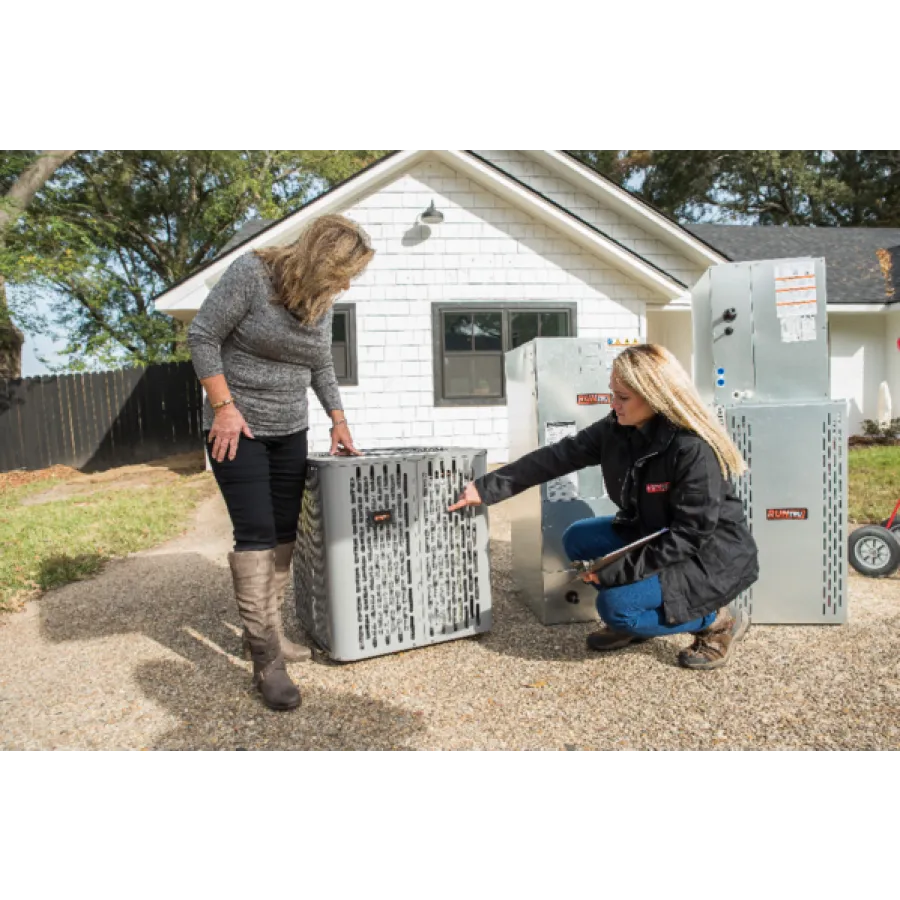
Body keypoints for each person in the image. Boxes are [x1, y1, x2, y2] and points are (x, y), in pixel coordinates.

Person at [448, 343, 758, 670]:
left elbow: (689, 535)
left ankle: (717, 619)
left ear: (655, 396)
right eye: (613, 393)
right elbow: (557, 457)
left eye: (623, 398)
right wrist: (485, 488)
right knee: (576, 538)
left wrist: (615, 571)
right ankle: (639, 621)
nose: (613, 405)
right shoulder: (616, 429)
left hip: (707, 554)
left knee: (616, 608)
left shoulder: (692, 449)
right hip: (654, 531)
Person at [187, 214, 373, 710]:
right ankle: (267, 660)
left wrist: (338, 419)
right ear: (318, 259)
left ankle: (266, 633)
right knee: (256, 533)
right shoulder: (251, 274)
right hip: (238, 426)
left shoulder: (319, 301)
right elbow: (202, 337)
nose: (347, 283)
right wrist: (224, 408)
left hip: (290, 425)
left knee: (285, 532)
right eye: (343, 272)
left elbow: (321, 362)